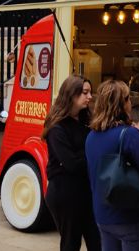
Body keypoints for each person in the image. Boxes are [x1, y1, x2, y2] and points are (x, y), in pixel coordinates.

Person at [86, 80, 139, 251]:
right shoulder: (131, 135)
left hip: (103, 216)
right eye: (128, 98)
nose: (131, 102)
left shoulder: (91, 136)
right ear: (122, 104)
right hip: (132, 217)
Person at [42, 75, 101, 251]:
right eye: (85, 92)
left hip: (86, 192)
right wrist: (93, 153)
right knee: (71, 243)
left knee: (97, 242)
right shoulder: (56, 128)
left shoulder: (86, 120)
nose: (90, 97)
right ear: (70, 95)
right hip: (65, 195)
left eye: (90, 92)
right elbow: (72, 164)